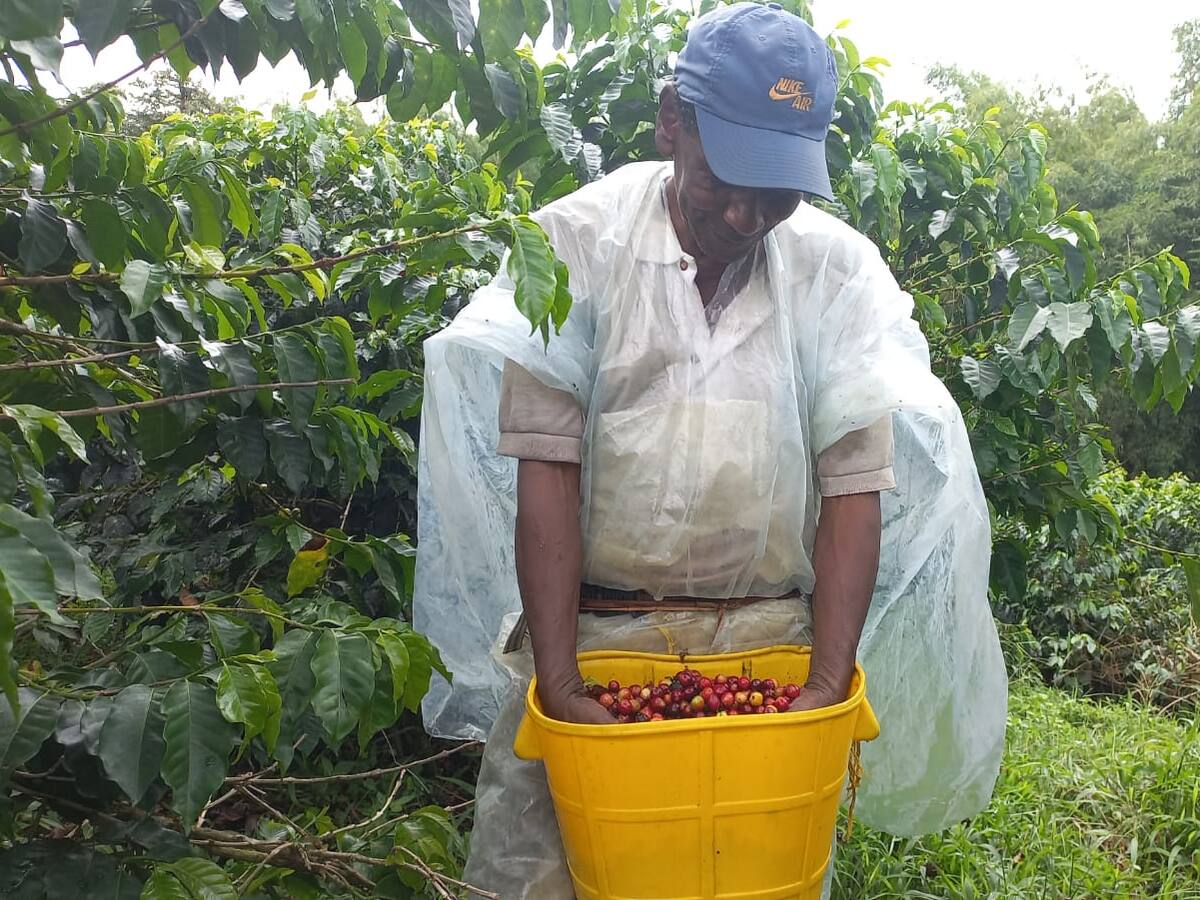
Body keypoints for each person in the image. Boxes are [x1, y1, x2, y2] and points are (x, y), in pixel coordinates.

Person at [414, 3, 1008, 896]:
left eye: (777, 190)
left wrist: (822, 685)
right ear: (669, 121)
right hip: (598, 633)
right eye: (723, 175)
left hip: (768, 633)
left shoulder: (835, 274)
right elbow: (547, 464)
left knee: (752, 873)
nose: (744, 211)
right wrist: (563, 682)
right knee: (536, 874)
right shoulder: (576, 243)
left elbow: (854, 489)